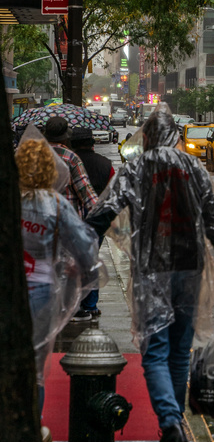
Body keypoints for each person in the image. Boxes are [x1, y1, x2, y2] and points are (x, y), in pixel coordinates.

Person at [87, 103, 214, 442]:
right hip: (191, 266)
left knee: (155, 350)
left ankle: (170, 421)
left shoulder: (136, 169)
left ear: (147, 137)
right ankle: (172, 424)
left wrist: (82, 245)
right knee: (179, 350)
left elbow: (105, 212)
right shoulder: (193, 167)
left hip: (152, 269)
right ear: (174, 134)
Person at [17, 138, 100, 442]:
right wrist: (75, 267)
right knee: (35, 363)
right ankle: (33, 427)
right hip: (41, 288)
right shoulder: (54, 204)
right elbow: (86, 249)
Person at [71, 128, 115, 319]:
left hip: (71, 215)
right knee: (91, 259)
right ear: (92, 143)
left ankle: (72, 302)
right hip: (97, 216)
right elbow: (112, 192)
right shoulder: (105, 164)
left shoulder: (68, 161)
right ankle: (90, 304)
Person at [43, 116, 98, 221]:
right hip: (67, 224)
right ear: (65, 138)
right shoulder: (70, 158)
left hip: (38, 225)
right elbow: (85, 192)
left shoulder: (31, 155)